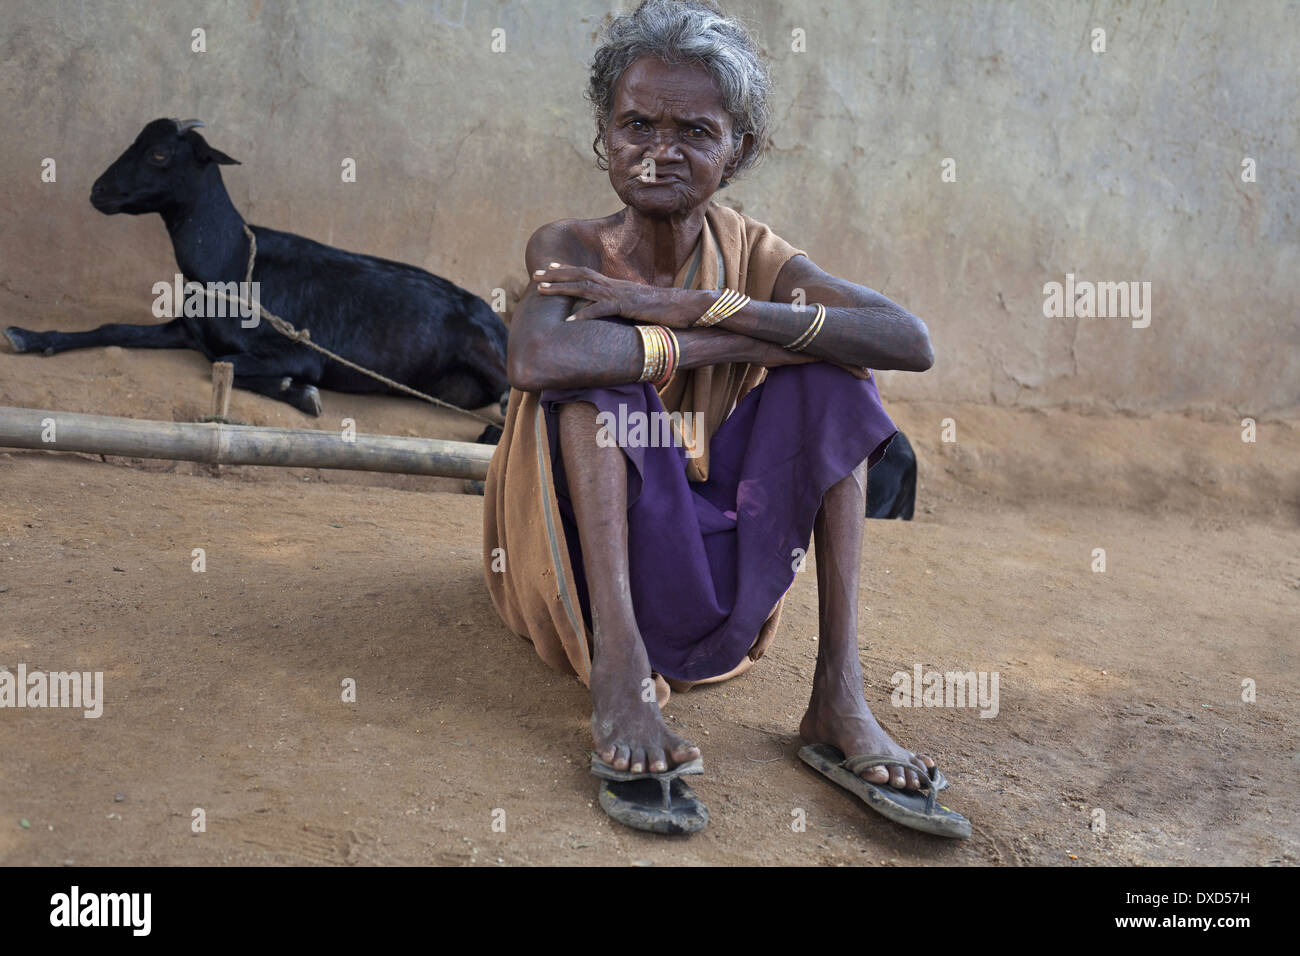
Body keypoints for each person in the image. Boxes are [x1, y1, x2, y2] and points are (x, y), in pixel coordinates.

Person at [482, 0, 965, 836]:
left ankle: (837, 698)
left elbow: (907, 340)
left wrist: (701, 302)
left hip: (705, 544)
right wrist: (703, 342)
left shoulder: (754, 257)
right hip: (577, 559)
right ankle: (621, 680)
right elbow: (536, 364)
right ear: (604, 135)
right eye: (637, 124)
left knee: (838, 384)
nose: (660, 151)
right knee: (595, 389)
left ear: (738, 149)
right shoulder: (569, 246)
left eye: (695, 132)